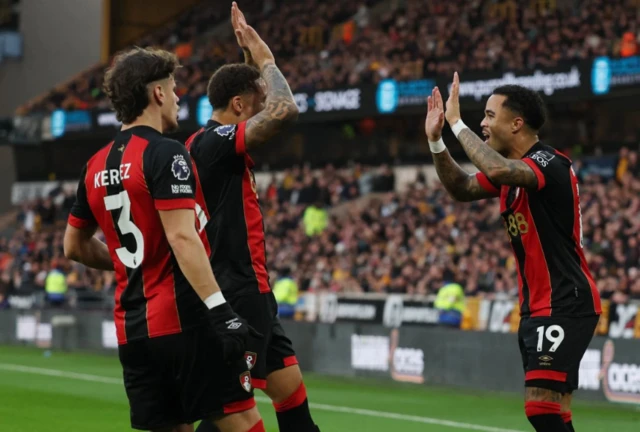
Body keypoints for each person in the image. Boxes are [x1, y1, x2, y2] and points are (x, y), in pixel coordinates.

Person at [63, 46, 265, 432]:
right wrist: (222, 312)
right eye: (173, 89)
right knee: (241, 419)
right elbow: (182, 237)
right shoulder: (165, 153)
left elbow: (73, 246)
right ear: (156, 94)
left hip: (133, 332)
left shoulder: (94, 165)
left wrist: (128, 260)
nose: (176, 98)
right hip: (185, 323)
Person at [425, 74, 601, 432]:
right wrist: (436, 142)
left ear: (516, 123)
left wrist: (456, 124)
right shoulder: (511, 174)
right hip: (535, 306)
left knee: (540, 408)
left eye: (490, 115)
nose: (483, 123)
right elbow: (462, 187)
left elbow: (497, 167)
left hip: (566, 300)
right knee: (553, 410)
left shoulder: (549, 163)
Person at [188, 4, 319, 432]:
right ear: (240, 105)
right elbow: (286, 111)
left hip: (252, 290)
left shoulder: (205, 142)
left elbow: (257, 104)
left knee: (289, 388)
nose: (267, 107)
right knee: (232, 407)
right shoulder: (214, 143)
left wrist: (248, 58)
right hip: (237, 290)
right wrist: (266, 59)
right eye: (258, 102)